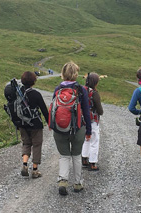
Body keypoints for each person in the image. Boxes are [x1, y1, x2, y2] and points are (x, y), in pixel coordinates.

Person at [52, 61, 92, 196]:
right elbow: (86, 112)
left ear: (63, 74)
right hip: (77, 129)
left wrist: (52, 125)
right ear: (76, 74)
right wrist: (88, 130)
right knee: (76, 155)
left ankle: (63, 181)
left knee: (64, 156)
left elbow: (52, 110)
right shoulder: (81, 90)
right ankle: (77, 183)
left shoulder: (57, 90)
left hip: (59, 128)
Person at [19, 71, 49, 178]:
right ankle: (35, 170)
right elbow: (44, 110)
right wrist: (49, 122)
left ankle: (24, 164)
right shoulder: (36, 94)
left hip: (22, 123)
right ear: (33, 81)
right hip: (35, 124)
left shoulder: (18, 93)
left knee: (26, 143)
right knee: (37, 145)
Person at [81, 73, 104, 171]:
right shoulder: (94, 93)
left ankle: (84, 158)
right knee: (94, 140)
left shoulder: (82, 91)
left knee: (86, 139)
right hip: (93, 120)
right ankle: (92, 163)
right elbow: (100, 110)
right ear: (95, 82)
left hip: (82, 120)